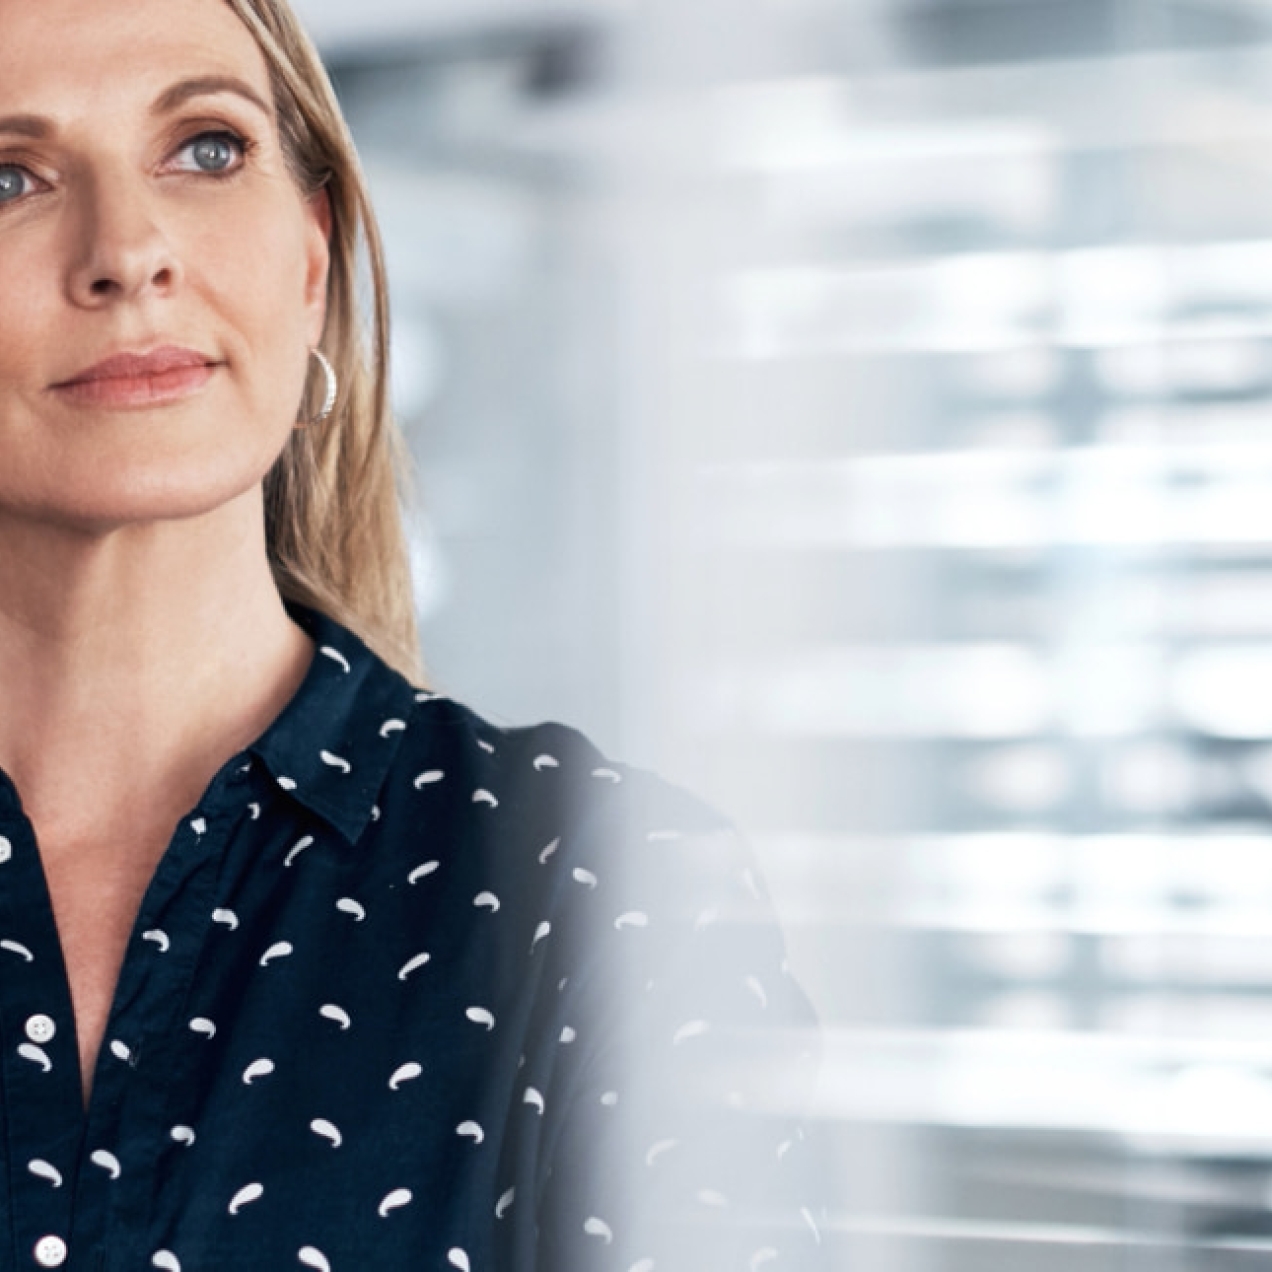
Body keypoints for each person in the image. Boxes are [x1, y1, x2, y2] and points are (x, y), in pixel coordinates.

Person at [0, 1, 822, 1269]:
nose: (130, 250)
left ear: (312, 261)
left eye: (206, 148)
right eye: (10, 176)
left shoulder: (613, 893)